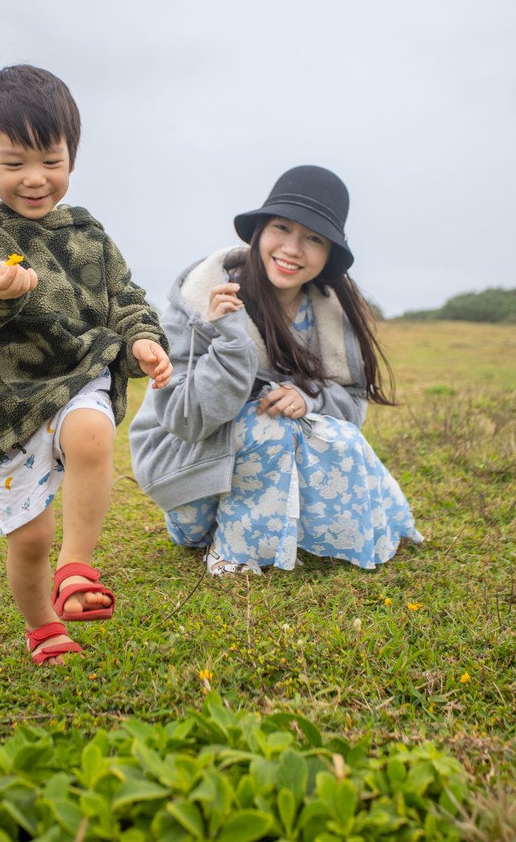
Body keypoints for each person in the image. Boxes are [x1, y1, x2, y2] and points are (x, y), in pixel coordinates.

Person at [0, 64, 172, 664]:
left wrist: (143, 340)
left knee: (92, 431)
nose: (35, 179)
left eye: (51, 160)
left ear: (72, 156)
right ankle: (43, 625)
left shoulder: (88, 233)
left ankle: (78, 566)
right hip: (8, 401)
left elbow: (126, 299)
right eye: (14, 163)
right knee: (29, 538)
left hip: (79, 376)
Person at [129, 165, 422, 576]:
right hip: (189, 464)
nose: (292, 248)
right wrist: (230, 342)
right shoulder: (202, 300)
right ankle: (232, 553)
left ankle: (271, 532)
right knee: (266, 423)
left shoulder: (330, 313)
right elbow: (184, 420)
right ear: (260, 231)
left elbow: (354, 403)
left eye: (314, 238)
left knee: (336, 435)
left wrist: (310, 397)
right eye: (282, 228)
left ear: (328, 254)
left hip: (264, 463)